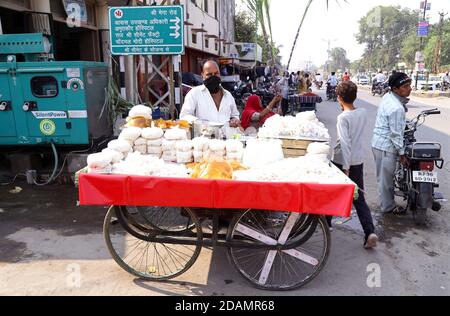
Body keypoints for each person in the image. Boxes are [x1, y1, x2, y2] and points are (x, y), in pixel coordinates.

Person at [329, 81, 378, 249]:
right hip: (358, 160)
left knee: (332, 192)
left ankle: (327, 223)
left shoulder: (343, 117)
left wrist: (345, 167)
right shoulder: (362, 112)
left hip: (343, 161)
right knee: (358, 198)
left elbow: (344, 143)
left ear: (340, 98)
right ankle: (369, 231)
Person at [372, 72, 412, 215]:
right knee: (385, 181)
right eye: (405, 86)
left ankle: (388, 204)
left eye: (409, 85)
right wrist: (401, 154)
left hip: (380, 144)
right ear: (395, 89)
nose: (409, 89)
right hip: (385, 147)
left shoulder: (388, 97)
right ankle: (388, 207)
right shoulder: (396, 108)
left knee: (385, 179)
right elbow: (395, 134)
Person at [180, 60, 240, 127]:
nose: (213, 77)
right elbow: (184, 116)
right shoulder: (194, 93)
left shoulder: (228, 95)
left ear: (219, 74)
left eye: (216, 73)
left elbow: (235, 115)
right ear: (202, 75)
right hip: (204, 136)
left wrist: (234, 120)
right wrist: (201, 123)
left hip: (227, 136)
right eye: (209, 74)